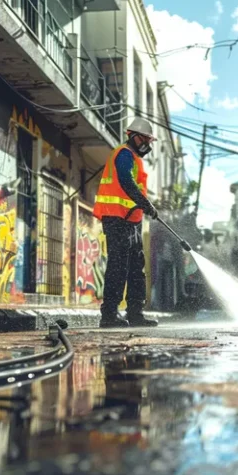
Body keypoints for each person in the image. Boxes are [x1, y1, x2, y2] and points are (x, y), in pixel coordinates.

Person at [92, 117, 160, 328]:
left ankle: (135, 314)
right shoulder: (124, 154)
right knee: (118, 266)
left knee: (135, 268)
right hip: (116, 218)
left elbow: (132, 186)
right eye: (146, 140)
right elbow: (125, 180)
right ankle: (109, 315)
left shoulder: (134, 158)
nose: (147, 145)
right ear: (135, 136)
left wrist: (143, 207)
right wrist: (145, 202)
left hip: (131, 220)